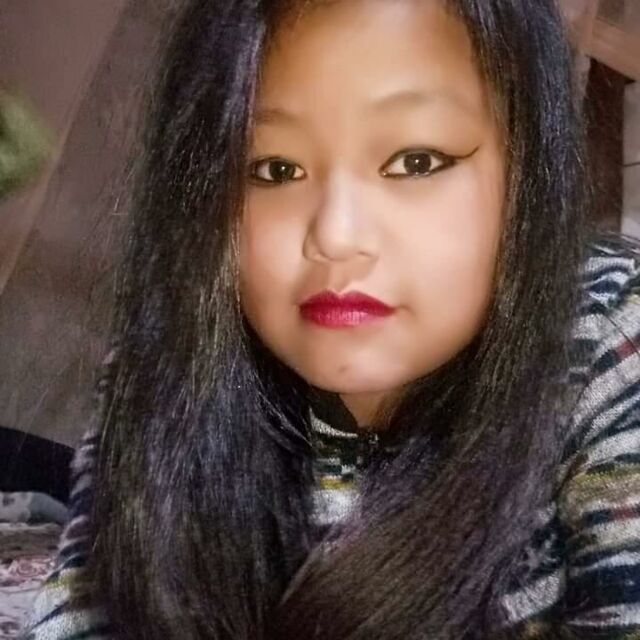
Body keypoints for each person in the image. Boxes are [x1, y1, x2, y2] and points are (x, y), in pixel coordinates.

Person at [26, 0, 640, 638]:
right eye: (276, 170)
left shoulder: (611, 334)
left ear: (528, 173)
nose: (336, 236)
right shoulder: (169, 360)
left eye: (417, 161)